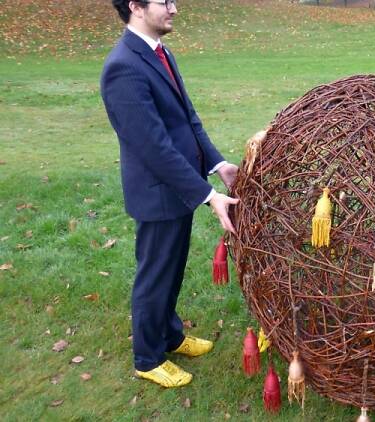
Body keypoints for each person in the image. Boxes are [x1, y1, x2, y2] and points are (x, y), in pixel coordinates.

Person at [101, 0, 240, 387]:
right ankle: (147, 358)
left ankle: (170, 335)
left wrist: (217, 163)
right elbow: (153, 147)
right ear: (136, 7)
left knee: (172, 269)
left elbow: (186, 119)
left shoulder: (160, 53)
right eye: (165, 1)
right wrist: (207, 195)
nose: (175, 9)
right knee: (155, 275)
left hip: (178, 188)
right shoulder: (122, 68)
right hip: (157, 191)